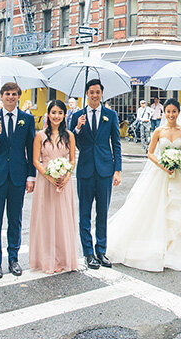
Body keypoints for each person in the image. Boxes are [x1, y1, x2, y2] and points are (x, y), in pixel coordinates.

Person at [106, 98, 181, 271]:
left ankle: (178, 247)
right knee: (156, 208)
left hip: (179, 174)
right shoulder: (158, 131)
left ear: (178, 113)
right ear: (164, 113)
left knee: (180, 210)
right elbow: (150, 154)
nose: (171, 115)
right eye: (168, 111)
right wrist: (163, 165)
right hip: (161, 174)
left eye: (174, 111)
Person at [0, 82, 36, 278]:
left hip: (18, 176)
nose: (11, 97)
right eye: (7, 94)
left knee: (15, 219)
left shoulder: (27, 119)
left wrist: (31, 176)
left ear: (18, 96)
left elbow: (30, 149)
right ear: (1, 97)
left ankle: (14, 259)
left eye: (14, 94)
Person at [71, 79, 122, 270]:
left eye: (97, 92)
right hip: (85, 170)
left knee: (102, 212)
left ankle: (101, 250)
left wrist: (117, 169)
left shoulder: (111, 115)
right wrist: (77, 128)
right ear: (86, 94)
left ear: (102, 94)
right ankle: (88, 253)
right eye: (91, 92)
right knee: (84, 213)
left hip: (105, 170)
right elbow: (72, 142)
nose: (94, 95)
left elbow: (116, 143)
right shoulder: (78, 115)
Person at [29, 100, 78, 273]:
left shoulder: (69, 135)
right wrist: (49, 176)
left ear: (64, 115)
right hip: (45, 181)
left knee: (62, 219)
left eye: (60, 113)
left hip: (64, 182)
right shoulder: (40, 136)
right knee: (46, 218)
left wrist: (67, 176)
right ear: (48, 115)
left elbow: (72, 159)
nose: (56, 116)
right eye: (53, 112)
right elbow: (36, 160)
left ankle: (63, 258)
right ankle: (46, 259)